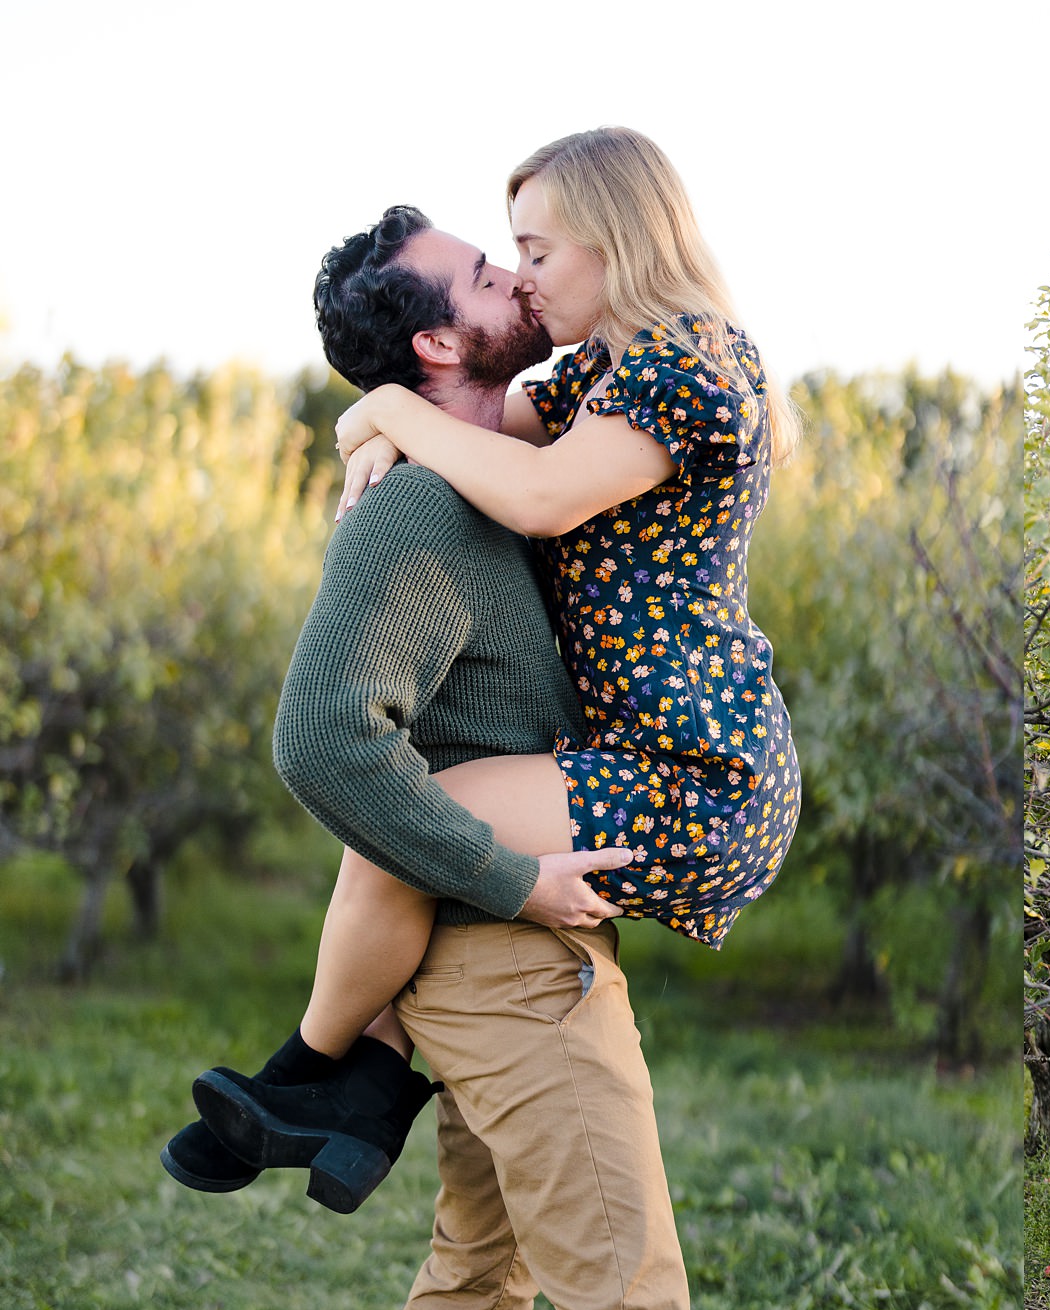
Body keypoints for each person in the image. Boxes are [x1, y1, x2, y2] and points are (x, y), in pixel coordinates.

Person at [189, 129, 803, 1224]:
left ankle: (305, 1077)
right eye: (505, 258)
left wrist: (388, 411)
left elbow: (537, 496)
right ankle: (357, 1092)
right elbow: (476, 430)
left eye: (535, 251)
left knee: (400, 828)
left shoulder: (691, 366)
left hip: (699, 774)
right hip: (642, 755)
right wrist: (383, 420)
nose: (522, 277)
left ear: (619, 240)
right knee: (402, 831)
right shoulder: (601, 377)